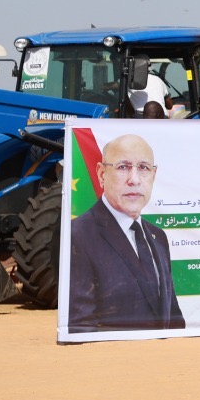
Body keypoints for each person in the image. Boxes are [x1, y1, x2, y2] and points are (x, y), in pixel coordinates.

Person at [67, 134, 185, 333]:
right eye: (123, 167)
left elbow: (173, 319)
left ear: (154, 175)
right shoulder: (78, 235)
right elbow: (80, 327)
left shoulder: (158, 237)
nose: (134, 180)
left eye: (143, 168)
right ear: (102, 174)